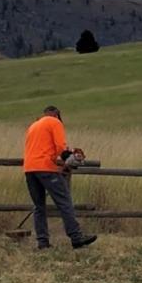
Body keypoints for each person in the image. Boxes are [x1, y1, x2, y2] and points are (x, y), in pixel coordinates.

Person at [23, 105, 97, 250]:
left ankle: (43, 242)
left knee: (39, 206)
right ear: (57, 115)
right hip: (45, 167)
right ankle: (76, 237)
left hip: (29, 168)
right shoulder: (55, 122)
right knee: (64, 202)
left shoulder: (33, 126)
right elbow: (60, 146)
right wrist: (69, 158)